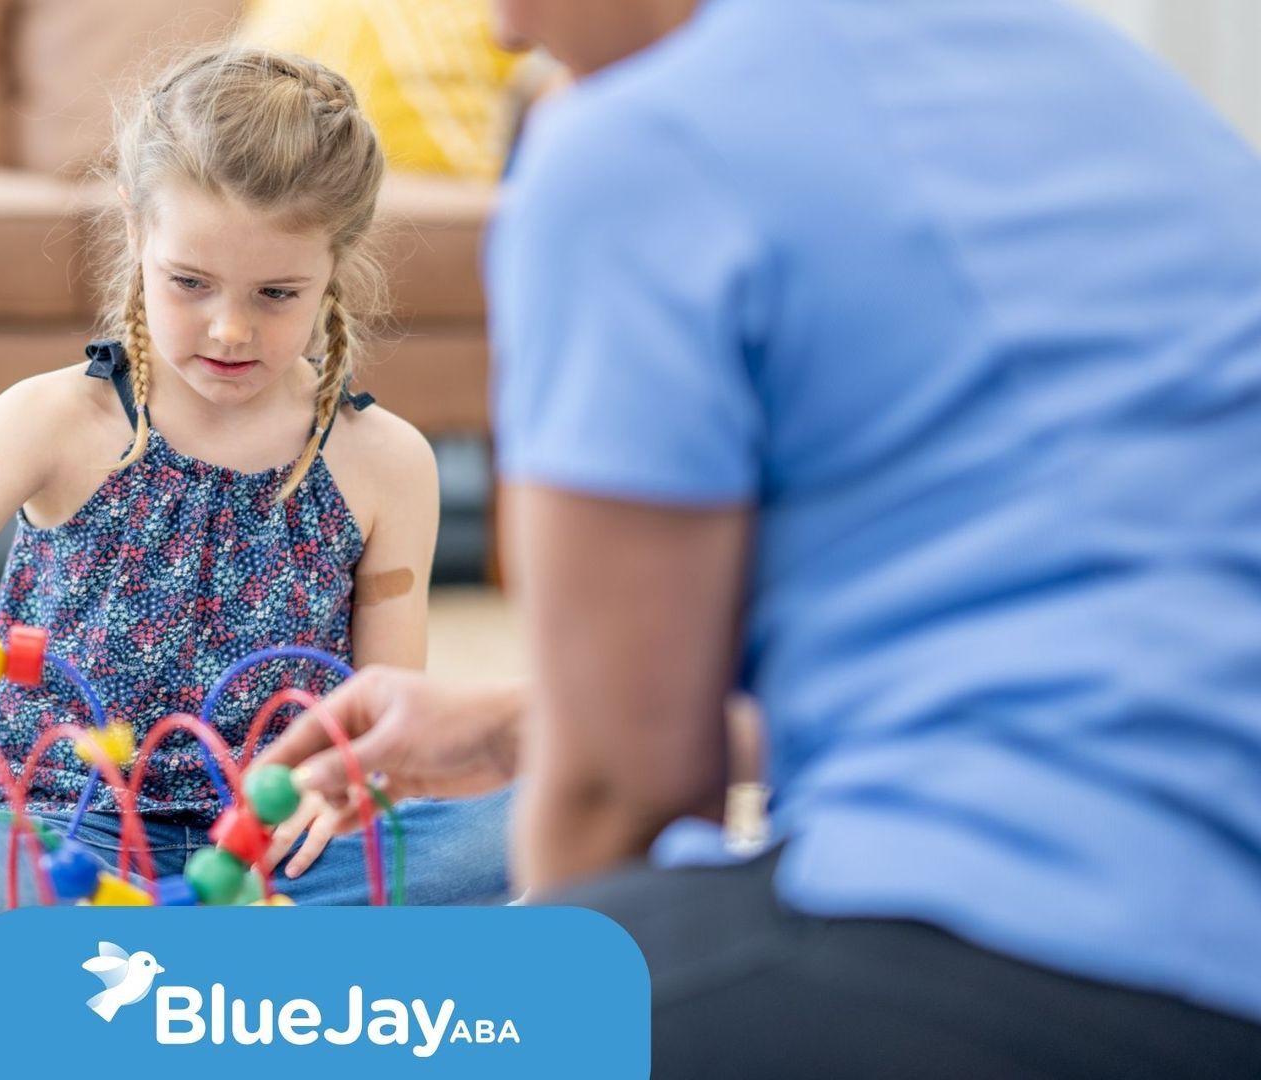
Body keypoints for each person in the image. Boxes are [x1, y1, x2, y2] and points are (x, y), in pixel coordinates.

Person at [258, 0, 1261, 1074]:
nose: (500, 33)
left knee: (372, 1030)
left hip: (1061, 959)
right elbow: (1085, 645)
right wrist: (521, 727)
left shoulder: (632, 146)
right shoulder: (1100, 76)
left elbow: (623, 796)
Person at [0, 46, 509, 946]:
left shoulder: (386, 463)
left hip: (277, 841)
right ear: (136, 228)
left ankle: (166, 950)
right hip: (69, 825)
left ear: (335, 265)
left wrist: (352, 789)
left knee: (522, 817)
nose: (230, 329)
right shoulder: (53, 421)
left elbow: (384, 713)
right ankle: (241, 949)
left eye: (277, 293)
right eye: (190, 283)